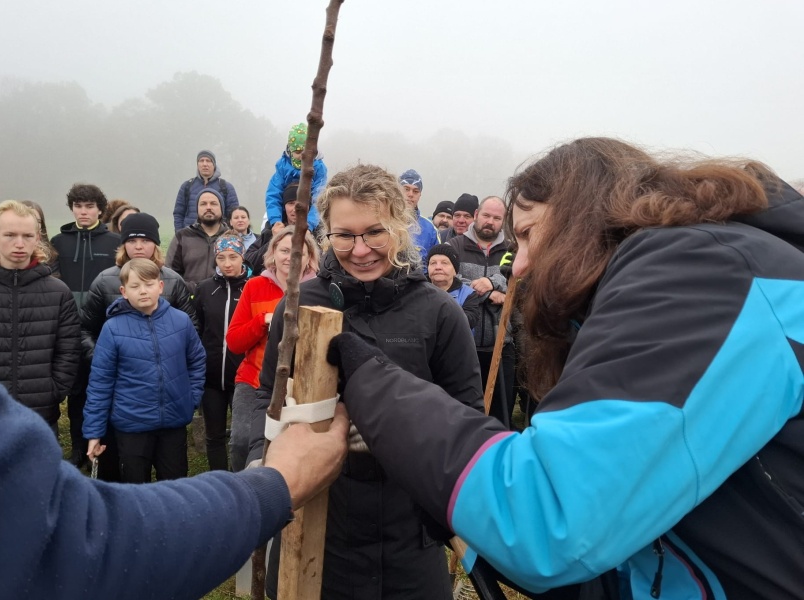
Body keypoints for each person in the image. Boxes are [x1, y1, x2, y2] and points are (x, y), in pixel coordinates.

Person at [327, 138, 804, 599]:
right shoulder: (710, 270)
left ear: (588, 210)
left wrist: (370, 380)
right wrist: (467, 519)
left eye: (530, 233)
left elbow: (548, 518)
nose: (519, 266)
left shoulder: (705, 270)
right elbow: (629, 551)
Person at [0, 211, 349, 599]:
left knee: (174, 477)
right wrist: (94, 427)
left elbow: (197, 359)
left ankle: (177, 551)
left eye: (151, 284)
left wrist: (188, 398)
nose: (145, 292)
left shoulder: (177, 319)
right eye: (135, 286)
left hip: (172, 418)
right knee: (134, 483)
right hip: (131, 421)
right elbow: (98, 375)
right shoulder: (115, 328)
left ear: (162, 284)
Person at [252, 164, 484, 600]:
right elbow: (267, 396)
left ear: (400, 226)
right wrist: (263, 459)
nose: (360, 250)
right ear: (327, 235)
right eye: (344, 235)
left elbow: (469, 416)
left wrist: (399, 428)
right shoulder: (299, 308)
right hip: (320, 532)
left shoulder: (438, 313)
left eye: (374, 232)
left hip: (410, 534)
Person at [79, 212, 196, 480]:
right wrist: (105, 359)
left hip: (170, 406)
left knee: (174, 479)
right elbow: (86, 328)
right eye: (132, 241)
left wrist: (188, 394)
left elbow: (191, 334)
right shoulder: (104, 281)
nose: (139, 246)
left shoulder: (173, 281)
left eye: (145, 240)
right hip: (128, 400)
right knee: (130, 474)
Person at [0, 200, 80, 435]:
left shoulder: (58, 292)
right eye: (10, 235)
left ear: (38, 239)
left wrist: (53, 391)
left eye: (27, 235)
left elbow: (69, 350)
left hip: (41, 416)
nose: (19, 243)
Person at [226, 226, 319, 473]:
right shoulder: (254, 286)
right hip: (253, 381)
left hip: (300, 386)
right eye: (285, 250)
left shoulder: (318, 292)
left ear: (310, 257)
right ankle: (242, 493)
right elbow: (234, 342)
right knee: (242, 443)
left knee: (292, 450)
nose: (291, 257)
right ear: (273, 253)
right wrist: (264, 321)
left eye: (299, 251)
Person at [50, 183, 122, 468]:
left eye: (89, 206)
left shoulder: (114, 241)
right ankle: (80, 447)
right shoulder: (58, 242)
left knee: (106, 387)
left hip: (103, 327)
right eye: (78, 206)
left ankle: (109, 445)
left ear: (100, 209)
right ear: (72, 209)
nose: (84, 211)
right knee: (76, 392)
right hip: (66, 327)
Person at [447, 196, 515, 426]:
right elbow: (448, 279)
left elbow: (520, 279)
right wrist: (488, 292)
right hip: (464, 343)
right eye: (486, 216)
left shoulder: (512, 249)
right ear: (476, 215)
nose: (490, 222)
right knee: (465, 411)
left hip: (502, 342)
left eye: (497, 218)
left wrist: (493, 281)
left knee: (500, 412)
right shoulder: (454, 247)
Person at [193, 232, 252, 471]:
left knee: (243, 438)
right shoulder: (205, 289)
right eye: (221, 258)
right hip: (211, 377)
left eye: (233, 257)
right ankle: (219, 480)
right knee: (214, 435)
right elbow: (197, 328)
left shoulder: (253, 287)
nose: (227, 263)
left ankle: (245, 479)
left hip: (243, 377)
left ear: (242, 257)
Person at [264, 122, 328, 233]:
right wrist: (276, 221)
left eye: (306, 151)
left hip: (311, 215)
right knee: (268, 231)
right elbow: (273, 195)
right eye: (298, 152)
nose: (302, 156)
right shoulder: (282, 167)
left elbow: (319, 198)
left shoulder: (319, 169)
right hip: (286, 214)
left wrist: (310, 224)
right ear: (290, 150)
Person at [167, 189, 230, 293]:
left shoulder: (231, 238)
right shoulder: (182, 236)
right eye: (203, 204)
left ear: (222, 209)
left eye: (213, 203)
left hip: (223, 300)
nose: (208, 207)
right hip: (188, 301)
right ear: (197, 209)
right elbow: (171, 274)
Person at [173, 150, 239, 232]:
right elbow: (178, 214)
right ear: (197, 164)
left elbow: (234, 214)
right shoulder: (187, 186)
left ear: (214, 164)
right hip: (191, 236)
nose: (205, 164)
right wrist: (180, 235)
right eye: (201, 161)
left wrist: (229, 235)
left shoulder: (226, 187)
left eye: (208, 161)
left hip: (219, 236)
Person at [245, 183, 300, 275]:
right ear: (284, 206)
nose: (295, 209)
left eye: (299, 204)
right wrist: (273, 240)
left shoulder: (316, 231)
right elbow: (248, 263)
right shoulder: (271, 229)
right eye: (291, 203)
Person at [426, 244, 480, 329]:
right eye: (433, 263)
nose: (438, 267)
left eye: (444, 263)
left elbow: (468, 321)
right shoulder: (418, 292)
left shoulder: (468, 294)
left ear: (455, 271)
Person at [399, 168, 440, 267]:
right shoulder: (385, 221)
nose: (410, 194)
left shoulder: (430, 229)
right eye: (406, 189)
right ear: (397, 191)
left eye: (415, 191)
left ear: (420, 195)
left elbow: (436, 264)